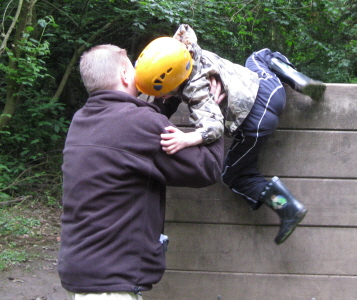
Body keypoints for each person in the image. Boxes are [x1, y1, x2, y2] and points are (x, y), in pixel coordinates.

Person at [57, 44, 224, 300]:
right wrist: (210, 110)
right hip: (111, 285)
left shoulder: (82, 120)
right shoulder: (139, 124)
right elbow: (207, 168)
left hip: (80, 272)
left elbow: (138, 132)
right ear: (125, 76)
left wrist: (165, 98)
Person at [135, 24, 327, 245]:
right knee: (258, 57)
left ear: (174, 82)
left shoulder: (196, 92)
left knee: (234, 175)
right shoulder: (186, 50)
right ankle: (296, 78)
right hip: (271, 90)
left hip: (256, 123)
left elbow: (214, 128)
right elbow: (160, 62)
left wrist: (186, 138)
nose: (165, 97)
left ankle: (287, 207)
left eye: (164, 93)